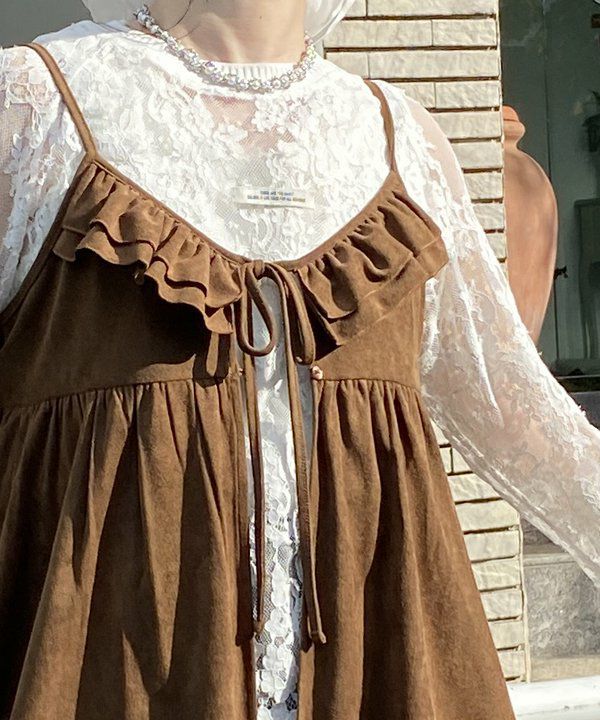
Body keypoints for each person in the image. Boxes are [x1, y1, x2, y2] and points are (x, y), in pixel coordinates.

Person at [0, 2, 599, 719]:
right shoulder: (36, 109)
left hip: (378, 667)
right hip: (107, 675)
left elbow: (515, 411)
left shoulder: (399, 139)